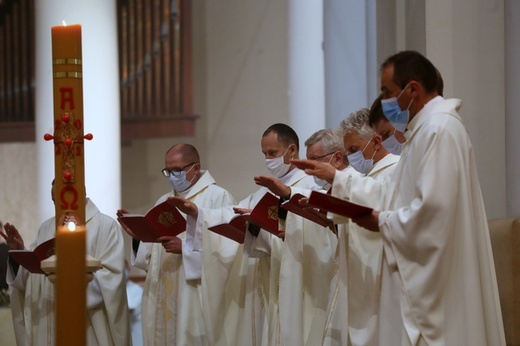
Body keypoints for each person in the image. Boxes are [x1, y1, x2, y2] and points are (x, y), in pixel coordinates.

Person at [292, 50, 505, 345]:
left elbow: (434, 212)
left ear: (413, 89)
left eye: (387, 92)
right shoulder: (422, 132)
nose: (385, 101)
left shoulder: (439, 129)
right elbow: (391, 194)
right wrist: (337, 179)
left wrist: (380, 220)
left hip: (440, 287)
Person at [169, 123, 335, 345]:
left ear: (292, 151)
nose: (267, 159)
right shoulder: (264, 192)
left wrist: (269, 225)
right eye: (264, 153)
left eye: (272, 153)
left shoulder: (309, 186)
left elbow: (320, 233)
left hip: (298, 282)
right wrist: (198, 213)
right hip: (267, 282)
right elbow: (233, 212)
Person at [119, 143, 236, 346]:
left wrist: (186, 249)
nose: (172, 176)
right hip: (163, 290)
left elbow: (228, 249)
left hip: (193, 294)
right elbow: (149, 259)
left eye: (177, 170)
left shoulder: (218, 197)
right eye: (168, 171)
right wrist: (139, 236)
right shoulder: (163, 201)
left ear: (195, 168)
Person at [2, 181, 130, 345]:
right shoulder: (46, 228)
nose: (59, 206)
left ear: (80, 194)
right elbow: (31, 277)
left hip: (88, 323)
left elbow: (111, 279)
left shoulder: (105, 226)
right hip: (49, 321)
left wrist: (68, 282)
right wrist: (19, 253)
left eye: (62, 201)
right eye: (54, 201)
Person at [326, 108, 399, 346]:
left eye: (354, 150)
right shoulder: (366, 178)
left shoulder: (396, 170)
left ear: (376, 142)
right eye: (347, 152)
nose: (350, 157)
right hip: (362, 275)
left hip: (385, 275)